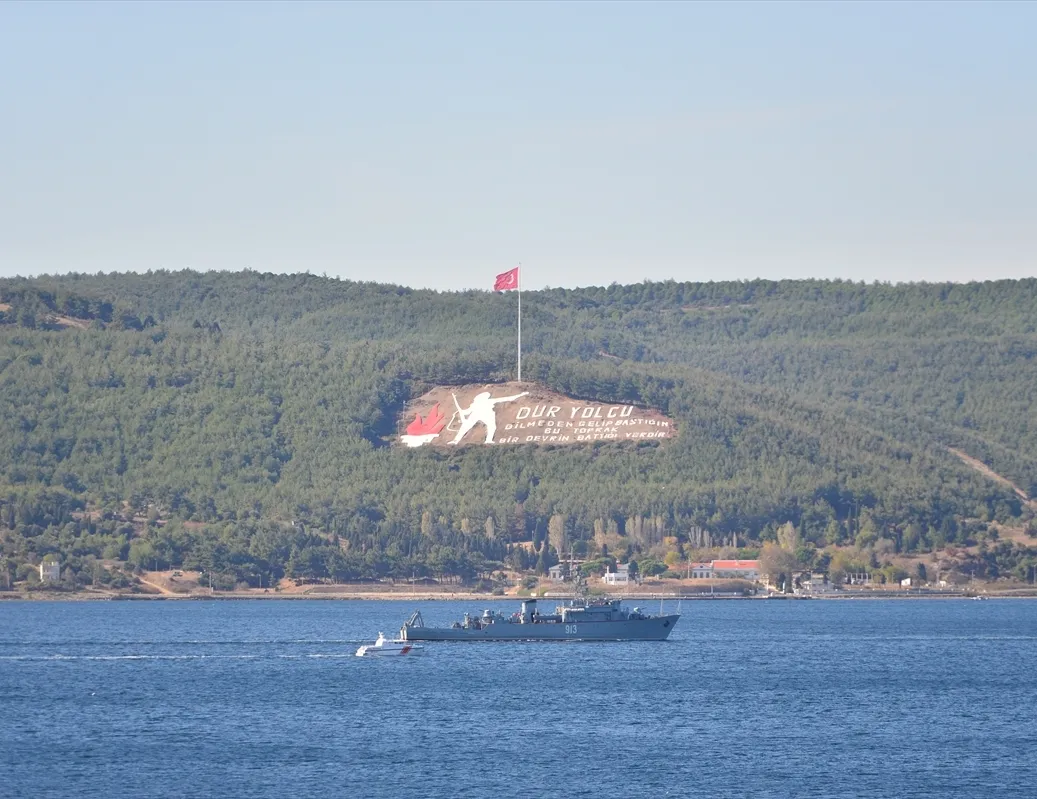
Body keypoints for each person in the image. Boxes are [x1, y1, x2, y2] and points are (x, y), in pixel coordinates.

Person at [448, 390, 529, 444]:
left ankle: (488, 440)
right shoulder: (476, 405)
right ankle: (455, 440)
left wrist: (521, 395)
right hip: (477, 414)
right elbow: (465, 412)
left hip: (487, 414)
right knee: (465, 427)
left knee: (491, 426)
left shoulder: (488, 401)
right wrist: (461, 410)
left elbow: (507, 398)